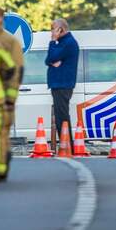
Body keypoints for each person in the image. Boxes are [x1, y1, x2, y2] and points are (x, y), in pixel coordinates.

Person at [0, 7, 24, 181]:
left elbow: (15, 71)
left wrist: (11, 98)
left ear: (0, 19)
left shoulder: (9, 42)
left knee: (2, 131)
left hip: (1, 97)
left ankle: (0, 168)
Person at [45, 18, 79, 150]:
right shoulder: (63, 43)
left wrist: (53, 41)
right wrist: (52, 60)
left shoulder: (68, 43)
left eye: (53, 29)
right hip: (59, 84)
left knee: (62, 115)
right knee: (60, 115)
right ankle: (66, 144)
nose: (51, 33)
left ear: (60, 29)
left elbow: (52, 57)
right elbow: (48, 60)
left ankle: (67, 145)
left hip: (62, 84)